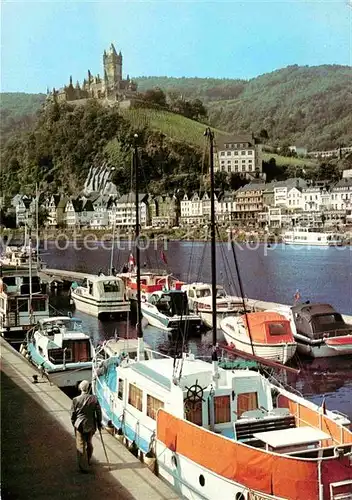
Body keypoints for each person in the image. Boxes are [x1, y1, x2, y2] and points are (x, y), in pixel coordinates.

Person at [70, 380, 103, 472]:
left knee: (80, 444)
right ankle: (88, 460)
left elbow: (72, 414)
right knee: (89, 442)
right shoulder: (94, 399)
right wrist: (99, 423)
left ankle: (82, 466)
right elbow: (98, 412)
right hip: (91, 424)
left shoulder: (75, 400)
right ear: (88, 388)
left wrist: (74, 423)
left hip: (79, 424)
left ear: (80, 388)